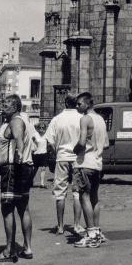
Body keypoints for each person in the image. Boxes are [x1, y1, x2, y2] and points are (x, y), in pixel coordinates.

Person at [0, 94, 34, 262]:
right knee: (23, 208)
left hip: (12, 170)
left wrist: (18, 154)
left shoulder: (15, 121)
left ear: (15, 107)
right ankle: (27, 248)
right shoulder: (21, 121)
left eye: (6, 105)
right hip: (22, 168)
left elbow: (18, 139)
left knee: (7, 209)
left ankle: (10, 249)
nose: (3, 108)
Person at [44, 93, 84, 236]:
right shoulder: (81, 119)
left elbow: (50, 141)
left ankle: (60, 226)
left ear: (65, 103)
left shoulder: (57, 119)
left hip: (61, 158)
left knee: (60, 193)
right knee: (77, 193)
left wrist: (56, 152)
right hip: (77, 159)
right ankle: (77, 225)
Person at [73, 92, 108, 249]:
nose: (77, 106)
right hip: (97, 163)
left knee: (84, 197)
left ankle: (91, 234)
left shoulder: (85, 119)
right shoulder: (100, 119)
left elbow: (81, 142)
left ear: (87, 104)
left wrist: (75, 149)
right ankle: (97, 231)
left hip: (84, 162)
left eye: (79, 104)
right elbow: (106, 143)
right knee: (94, 197)